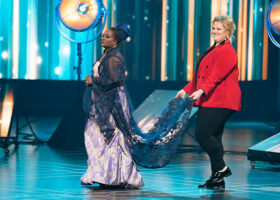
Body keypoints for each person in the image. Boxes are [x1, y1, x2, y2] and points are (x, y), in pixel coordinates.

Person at [176, 15, 241, 189]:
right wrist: (186, 90)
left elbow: (215, 77)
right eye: (213, 28)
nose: (215, 32)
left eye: (219, 29)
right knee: (214, 137)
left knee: (203, 134)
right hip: (212, 98)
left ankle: (221, 168)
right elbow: (201, 76)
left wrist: (201, 91)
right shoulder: (213, 48)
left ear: (227, 32)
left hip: (221, 100)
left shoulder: (227, 51)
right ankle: (217, 179)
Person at [81, 24, 144, 189]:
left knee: (111, 136)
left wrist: (92, 81)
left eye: (107, 36)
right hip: (103, 100)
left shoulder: (114, 57)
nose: (103, 38)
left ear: (116, 41)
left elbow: (114, 80)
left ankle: (119, 175)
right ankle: (103, 173)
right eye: (103, 35)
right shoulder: (106, 55)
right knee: (96, 135)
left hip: (112, 101)